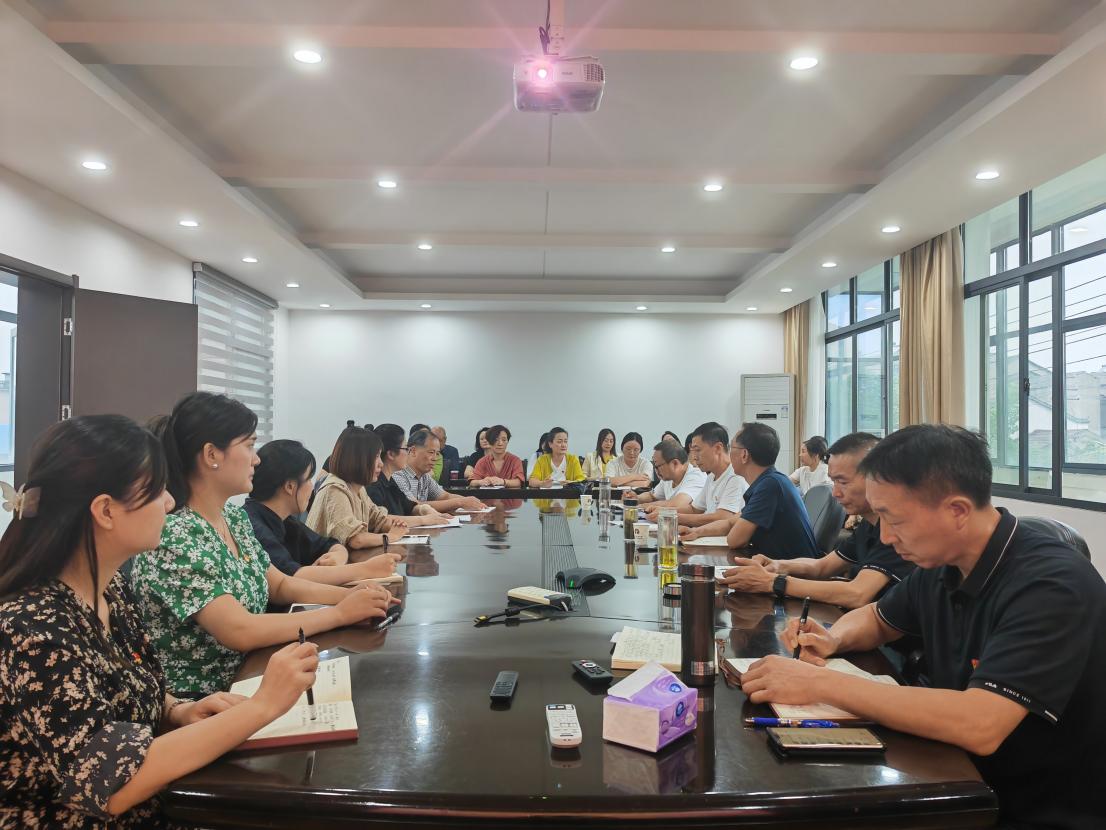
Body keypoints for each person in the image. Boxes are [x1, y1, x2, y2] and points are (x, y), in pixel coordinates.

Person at [739, 425, 1106, 827]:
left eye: (893, 519)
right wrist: (831, 638)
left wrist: (819, 683)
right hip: (956, 772)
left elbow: (981, 723)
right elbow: (878, 618)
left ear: (957, 511)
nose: (884, 536)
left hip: (1030, 806)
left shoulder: (1052, 585)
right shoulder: (944, 562)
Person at [0, 415, 321, 827]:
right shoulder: (31, 627)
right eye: (156, 491)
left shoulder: (108, 589)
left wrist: (178, 711)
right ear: (106, 511)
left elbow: (125, 692)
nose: (169, 503)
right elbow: (111, 784)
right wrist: (263, 705)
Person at [130, 394, 396, 696]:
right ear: (211, 454)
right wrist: (339, 614)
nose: (256, 459)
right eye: (249, 446)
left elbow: (280, 585)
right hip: (204, 701)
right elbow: (240, 630)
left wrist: (352, 596)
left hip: (254, 673)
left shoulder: (233, 518)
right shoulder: (176, 534)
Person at [718, 432, 914, 607]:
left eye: (843, 482)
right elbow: (822, 566)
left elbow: (857, 594)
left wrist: (773, 582)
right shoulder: (868, 525)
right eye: (834, 481)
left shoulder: (897, 531)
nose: (835, 493)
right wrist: (776, 565)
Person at [245, 439, 403, 584]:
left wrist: (337, 556)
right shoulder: (251, 525)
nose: (312, 487)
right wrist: (366, 569)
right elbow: (290, 578)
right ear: (290, 486)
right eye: (308, 479)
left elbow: (329, 544)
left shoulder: (285, 520)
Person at [680, 423, 820, 559]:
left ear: (744, 455)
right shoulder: (768, 481)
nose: (728, 454)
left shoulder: (770, 486)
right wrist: (696, 532)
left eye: (731, 448)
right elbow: (729, 523)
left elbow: (735, 540)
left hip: (794, 572)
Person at [306, 426, 408, 550]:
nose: (381, 464)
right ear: (358, 459)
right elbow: (356, 539)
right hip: (326, 561)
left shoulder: (358, 489)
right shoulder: (335, 489)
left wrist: (398, 526)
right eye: (376, 457)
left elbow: (379, 519)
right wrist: (392, 536)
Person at [366, 424, 453, 525]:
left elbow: (409, 507)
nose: (408, 453)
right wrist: (423, 520)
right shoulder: (374, 485)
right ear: (391, 454)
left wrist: (426, 510)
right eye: (405, 449)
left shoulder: (390, 481)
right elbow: (380, 519)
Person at [394, 429, 488, 512]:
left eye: (437, 453)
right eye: (431, 452)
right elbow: (414, 505)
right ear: (413, 451)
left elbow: (444, 496)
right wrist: (460, 502)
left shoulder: (424, 476)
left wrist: (469, 501)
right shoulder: (398, 474)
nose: (435, 458)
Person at [677, 422, 747, 527]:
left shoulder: (735, 477)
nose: (694, 457)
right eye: (693, 451)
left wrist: (674, 517)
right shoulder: (711, 476)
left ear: (718, 448)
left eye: (698, 450)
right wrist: (663, 511)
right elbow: (694, 509)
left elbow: (723, 517)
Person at [637, 441, 708, 518]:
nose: (656, 471)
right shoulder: (669, 477)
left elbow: (676, 505)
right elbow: (652, 496)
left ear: (675, 463)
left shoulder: (697, 476)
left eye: (657, 466)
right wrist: (635, 498)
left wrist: (643, 506)